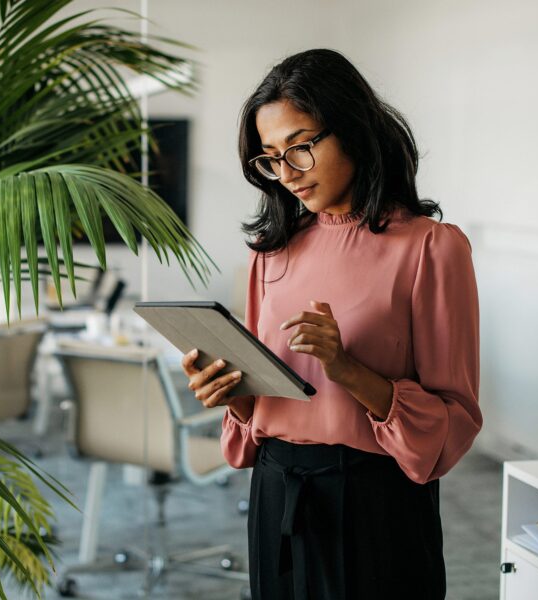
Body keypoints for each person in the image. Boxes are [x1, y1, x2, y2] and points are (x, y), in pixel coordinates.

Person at [180, 49, 481, 600]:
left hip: (375, 505)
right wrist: (233, 395)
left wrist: (345, 367)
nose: (286, 172)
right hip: (275, 492)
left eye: (300, 147)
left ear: (353, 130)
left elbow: (454, 423)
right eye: (271, 157)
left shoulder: (431, 249)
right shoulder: (269, 254)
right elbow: (263, 414)